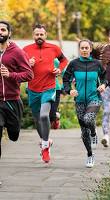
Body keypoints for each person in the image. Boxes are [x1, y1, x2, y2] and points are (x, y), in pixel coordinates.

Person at [23, 24, 68, 163]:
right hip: (32, 89)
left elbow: (64, 60)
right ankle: (45, 142)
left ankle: (45, 146)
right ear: (33, 35)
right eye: (37, 34)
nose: (39, 37)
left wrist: (59, 69)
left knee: (44, 115)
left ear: (46, 35)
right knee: (37, 119)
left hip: (49, 87)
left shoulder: (54, 48)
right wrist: (27, 64)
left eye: (41, 34)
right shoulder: (26, 50)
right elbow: (18, 66)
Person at [63, 39, 106, 168]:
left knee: (87, 120)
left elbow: (105, 77)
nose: (84, 50)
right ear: (79, 49)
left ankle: (94, 133)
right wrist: (69, 90)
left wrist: (103, 85)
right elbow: (65, 79)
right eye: (82, 48)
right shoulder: (74, 64)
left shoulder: (97, 64)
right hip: (80, 100)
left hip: (94, 98)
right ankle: (90, 155)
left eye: (87, 48)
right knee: (83, 130)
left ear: (90, 49)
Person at [0, 21, 33, 161]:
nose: (0, 32)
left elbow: (29, 74)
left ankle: (13, 130)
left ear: (9, 33)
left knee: (14, 134)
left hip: (12, 101)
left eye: (2, 30)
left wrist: (10, 75)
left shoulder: (17, 52)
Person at [49, 58, 64, 129]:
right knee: (42, 115)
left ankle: (55, 116)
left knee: (51, 114)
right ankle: (44, 138)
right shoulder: (37, 59)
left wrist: (64, 86)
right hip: (41, 89)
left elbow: (65, 73)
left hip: (56, 89)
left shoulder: (55, 60)